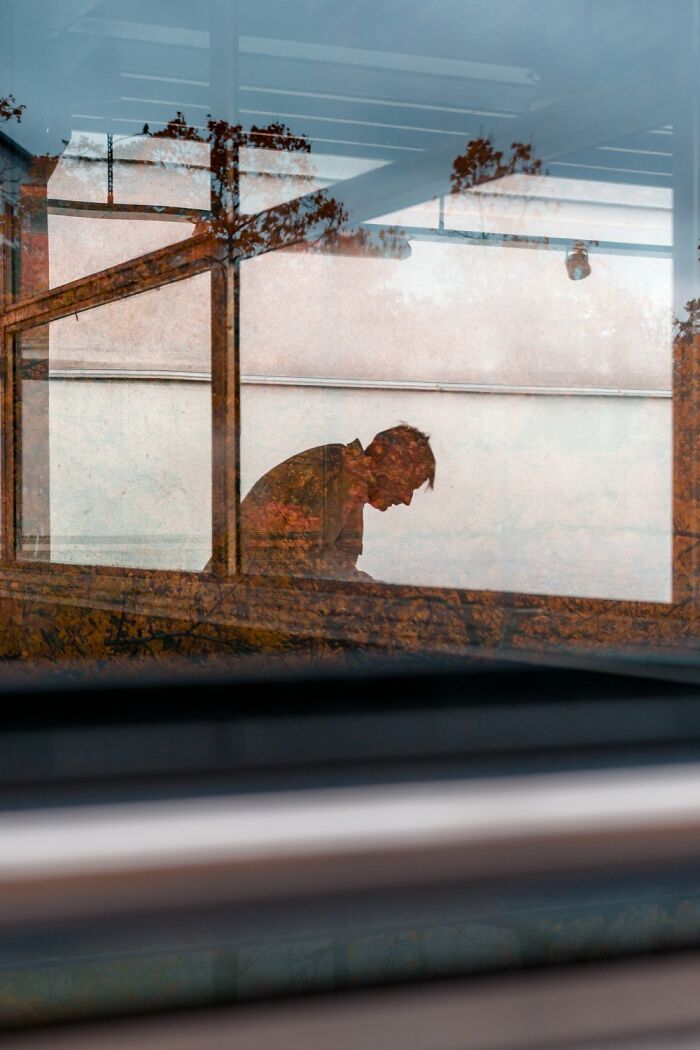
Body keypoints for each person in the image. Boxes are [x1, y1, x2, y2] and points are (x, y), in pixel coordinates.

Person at [241, 424, 436, 580]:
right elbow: (307, 573)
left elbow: (334, 571)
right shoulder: (334, 475)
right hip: (242, 608)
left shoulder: (348, 478)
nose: (407, 499)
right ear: (390, 469)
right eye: (409, 485)